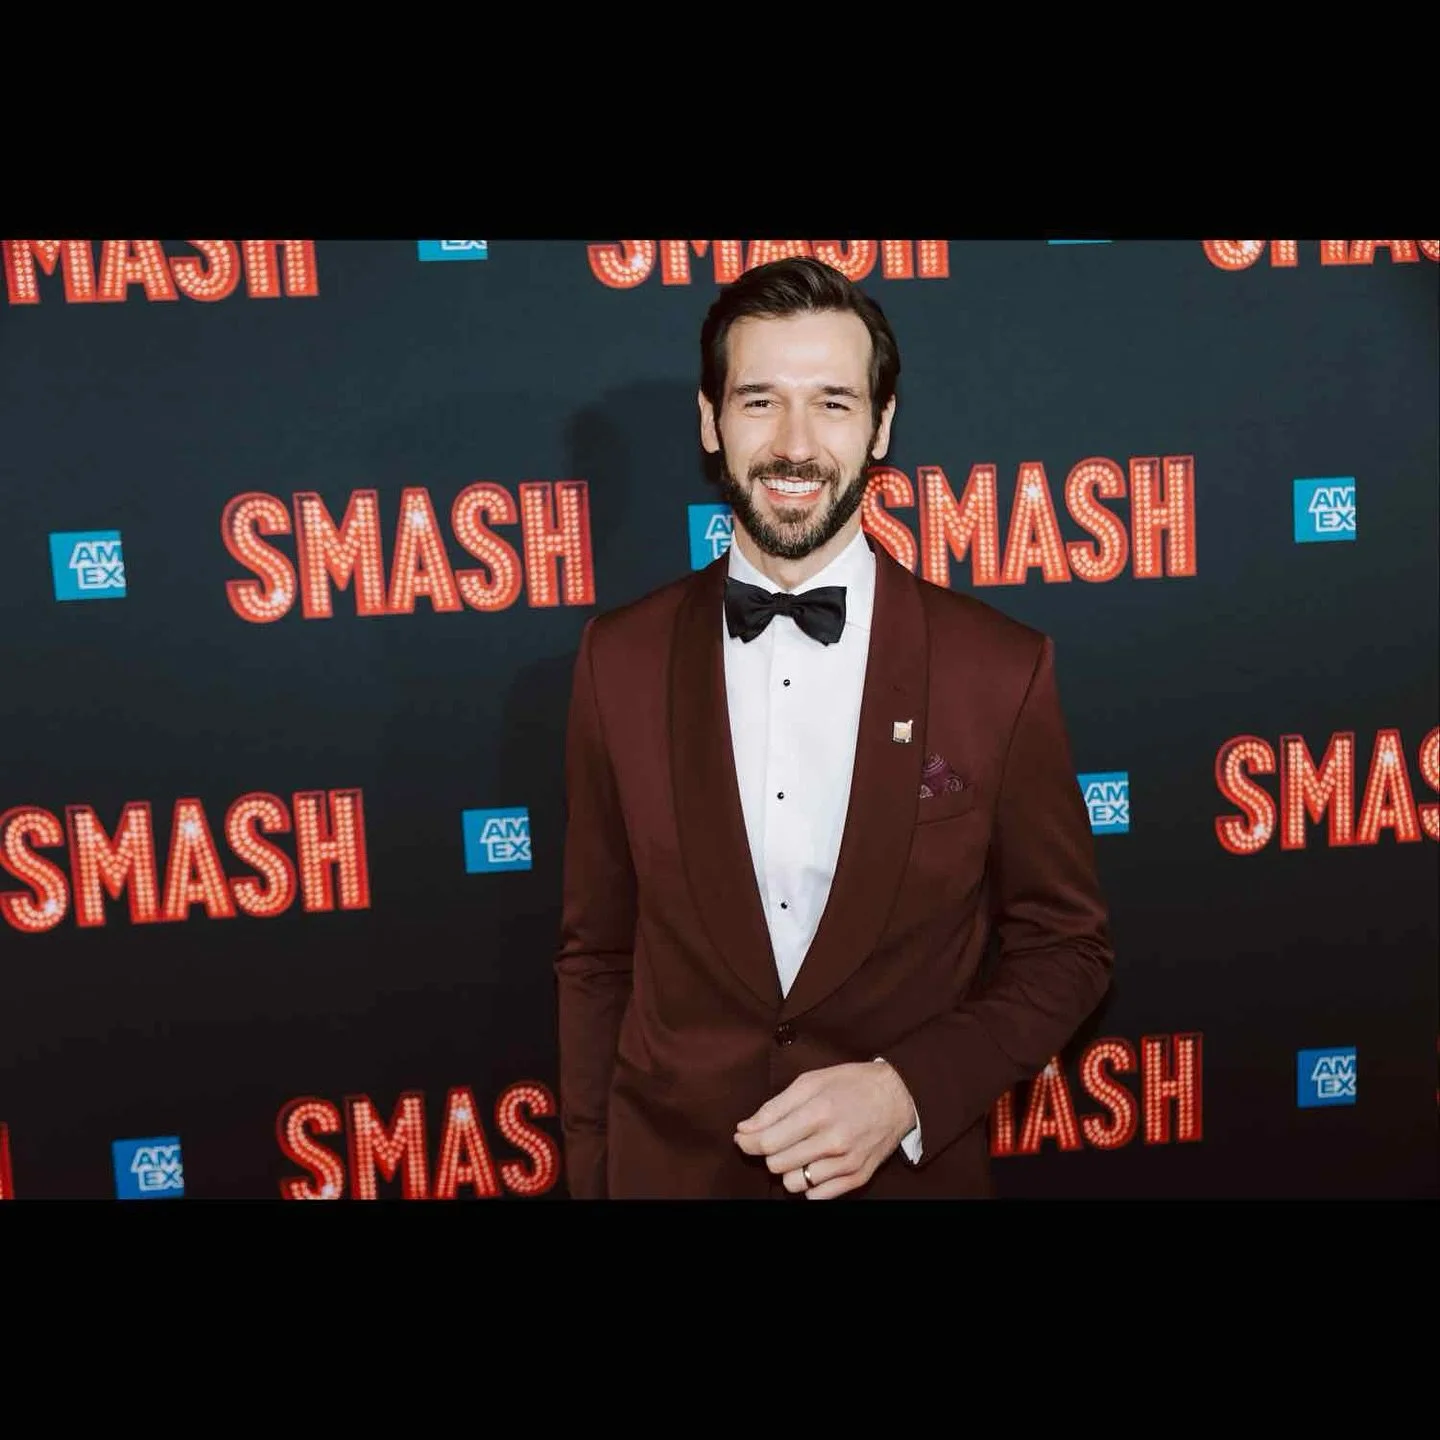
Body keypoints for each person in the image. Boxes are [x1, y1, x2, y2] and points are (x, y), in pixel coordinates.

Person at [555, 256, 1113, 1199]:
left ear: (882, 426)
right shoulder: (618, 659)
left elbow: (1067, 950)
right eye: (761, 400)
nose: (795, 443)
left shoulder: (998, 668)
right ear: (710, 421)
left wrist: (909, 1089)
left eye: (834, 403)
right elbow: (596, 957)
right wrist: (596, 1173)